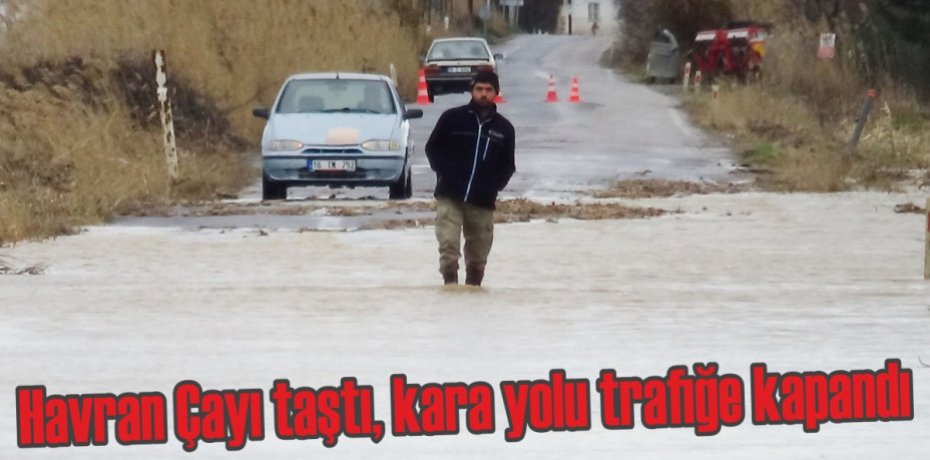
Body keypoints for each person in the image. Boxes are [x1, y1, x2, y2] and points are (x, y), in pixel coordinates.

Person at [425, 71, 515, 287]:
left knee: (478, 255)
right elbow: (433, 148)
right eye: (479, 89)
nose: (483, 94)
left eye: (488, 90)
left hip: (482, 201)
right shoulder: (451, 118)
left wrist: (493, 185)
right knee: (448, 246)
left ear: (496, 93)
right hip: (450, 195)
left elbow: (508, 165)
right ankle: (450, 287)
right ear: (472, 91)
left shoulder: (504, 129)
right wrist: (445, 172)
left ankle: (473, 293)